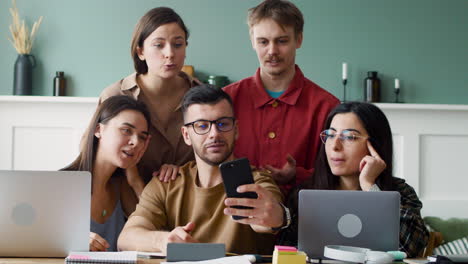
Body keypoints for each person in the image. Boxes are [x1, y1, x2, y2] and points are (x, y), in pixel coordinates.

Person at [118, 85, 288, 254]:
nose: (214, 133)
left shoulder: (257, 182)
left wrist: (277, 217)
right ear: (186, 135)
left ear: (236, 130)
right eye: (201, 126)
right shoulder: (166, 184)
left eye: (223, 124)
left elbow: (268, 218)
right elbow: (126, 238)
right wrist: (163, 241)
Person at [279, 102, 429, 257]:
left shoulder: (401, 191)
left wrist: (370, 187)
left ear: (375, 145)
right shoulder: (305, 193)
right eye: (330, 135)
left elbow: (412, 247)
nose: (335, 146)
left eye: (349, 137)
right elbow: (286, 252)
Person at [223, 0, 340, 196]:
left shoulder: (327, 106)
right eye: (263, 41)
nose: (272, 51)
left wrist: (298, 175)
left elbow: (338, 175)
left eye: (282, 41)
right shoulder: (226, 99)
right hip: (234, 215)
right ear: (252, 41)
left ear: (299, 40)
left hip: (304, 216)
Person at [99, 7, 200, 183]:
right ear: (141, 52)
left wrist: (184, 171)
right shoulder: (115, 95)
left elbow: (216, 157)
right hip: (127, 199)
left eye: (178, 44)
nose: (170, 54)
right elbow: (94, 157)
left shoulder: (202, 97)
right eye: (158, 45)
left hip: (188, 201)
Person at [63, 95, 151, 251]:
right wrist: (72, 241)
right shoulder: (60, 184)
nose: (136, 142)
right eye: (126, 130)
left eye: (142, 137)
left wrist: (136, 181)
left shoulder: (124, 188)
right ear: (98, 130)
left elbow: (150, 231)